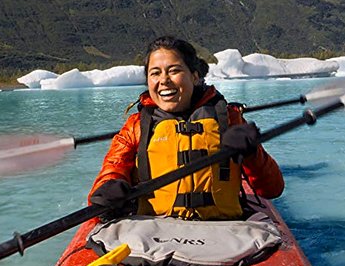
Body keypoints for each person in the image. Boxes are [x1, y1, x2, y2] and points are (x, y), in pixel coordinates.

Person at [87, 36, 283, 220]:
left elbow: (272, 189)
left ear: (195, 76)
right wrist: (108, 188)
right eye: (155, 73)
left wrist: (252, 153)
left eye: (174, 70)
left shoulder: (230, 120)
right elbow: (112, 170)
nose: (164, 80)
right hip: (154, 228)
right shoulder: (136, 126)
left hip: (223, 229)